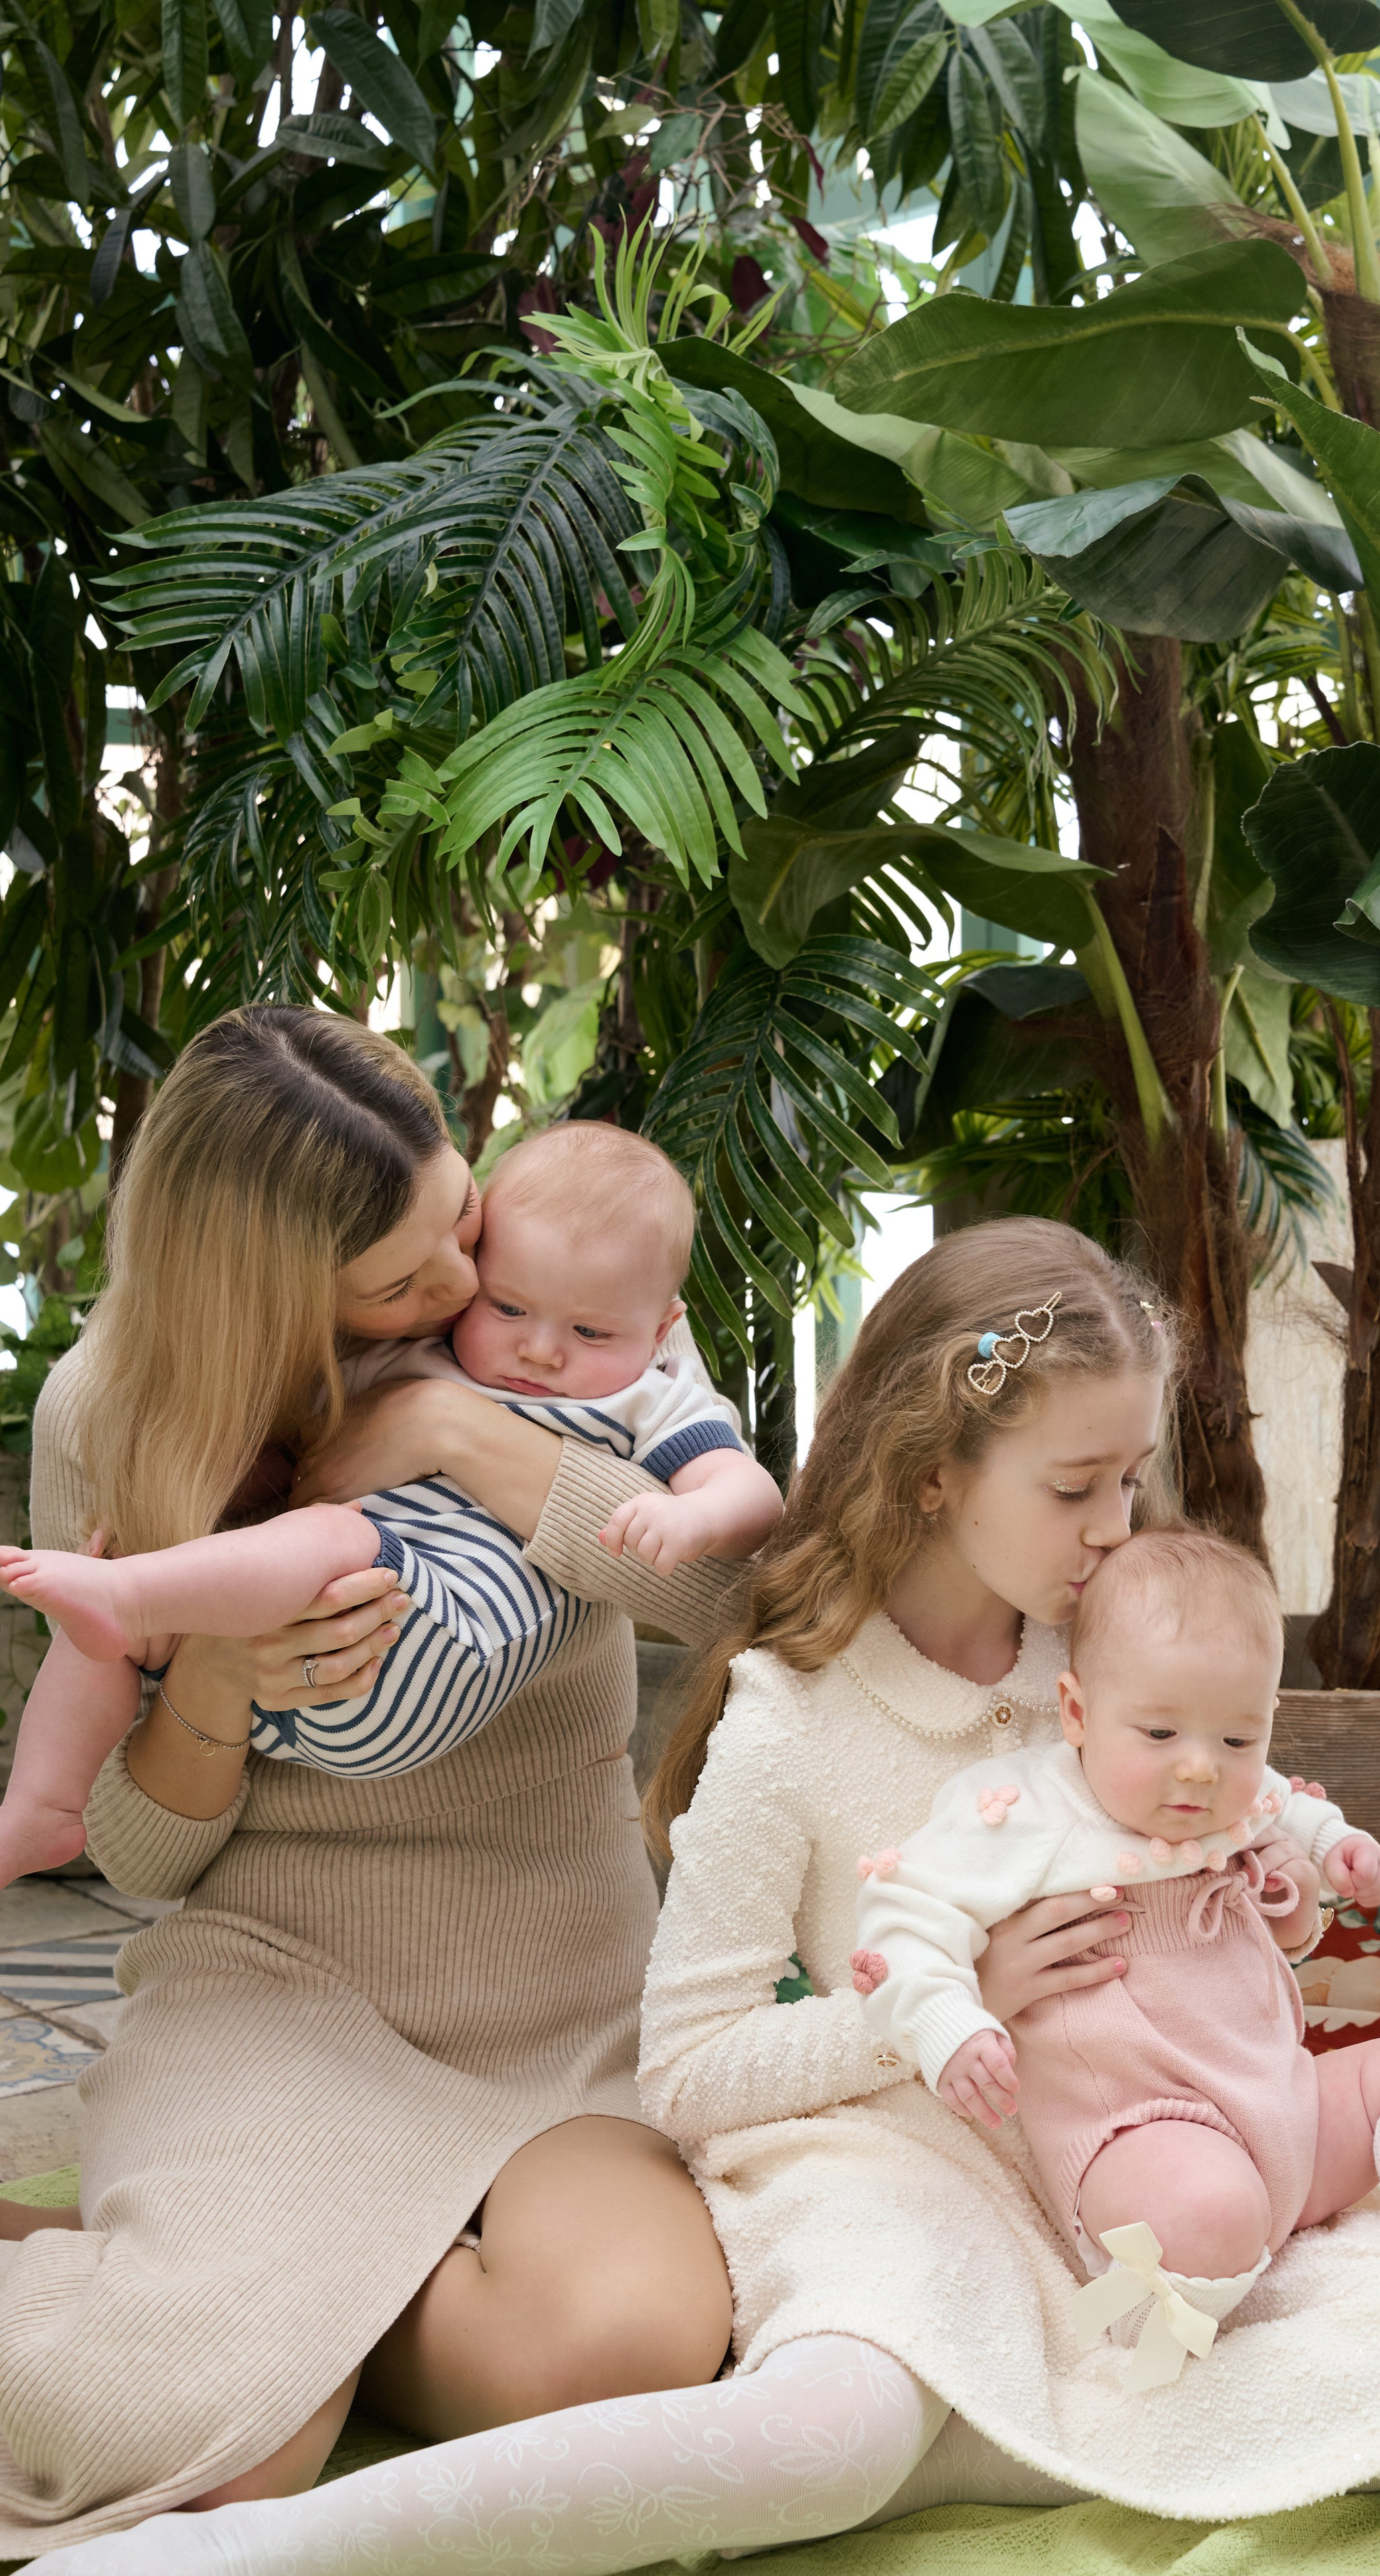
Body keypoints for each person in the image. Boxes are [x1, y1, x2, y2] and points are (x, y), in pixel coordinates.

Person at [60, 1220, 1380, 2575]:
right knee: (831, 2435)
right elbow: (695, 2067)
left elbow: (1237, 1877)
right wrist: (937, 2012)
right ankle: (262, 2549)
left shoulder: (1122, 1664)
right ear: (936, 1472)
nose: (1116, 1524)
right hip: (890, 2159)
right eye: (1073, 1485)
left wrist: (1276, 1903)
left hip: (1144, 2153)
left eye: (1127, 1478)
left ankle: (1040, 2396)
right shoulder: (796, 1713)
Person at [0, 1005, 739, 2559]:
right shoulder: (110, 1413)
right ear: (269, 1295)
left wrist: (457, 1428)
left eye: (452, 1218)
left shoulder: (566, 1300)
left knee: (623, 2348)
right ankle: (250, 2298)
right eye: (406, 1278)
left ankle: (261, 2280)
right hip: (276, 1983)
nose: (468, 1286)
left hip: (556, 1996)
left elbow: (744, 1601)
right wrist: (215, 1677)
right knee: (224, 2458)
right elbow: (135, 1852)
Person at [859, 1525, 1380, 2390]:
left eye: (1238, 1740)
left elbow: (1293, 1813)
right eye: (1160, 1733)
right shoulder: (1025, 1813)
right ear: (1079, 1713)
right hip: (1149, 2132)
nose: (1201, 1771)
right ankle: (1147, 2319)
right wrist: (949, 2022)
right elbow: (906, 1915)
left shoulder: (1237, 1800)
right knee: (1206, 2210)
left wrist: (1333, 1858)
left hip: (1288, 2114)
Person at [0, 1120, 781, 1875]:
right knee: (108, 1613)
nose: (540, 1347)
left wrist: (682, 1511)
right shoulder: (109, 1403)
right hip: (283, 1804)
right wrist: (208, 1657)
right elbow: (301, 1460)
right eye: (505, 1308)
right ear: (292, 1277)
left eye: (464, 1214)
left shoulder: (637, 1356)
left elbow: (759, 1566)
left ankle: (134, 1595)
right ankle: (40, 1803)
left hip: (435, 1639)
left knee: (323, 1539)